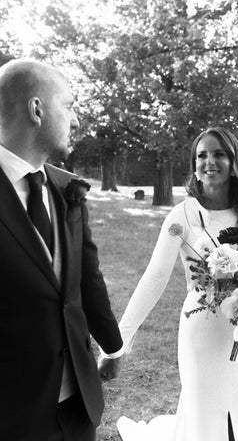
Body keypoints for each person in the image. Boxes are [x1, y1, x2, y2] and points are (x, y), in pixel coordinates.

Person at [116, 127, 238, 441]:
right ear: (194, 164)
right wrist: (121, 341)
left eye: (219, 153)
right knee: (205, 416)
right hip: (202, 331)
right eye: (202, 155)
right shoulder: (183, 216)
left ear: (233, 160)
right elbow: (154, 278)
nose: (210, 161)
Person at [0, 58, 124, 441]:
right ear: (37, 109)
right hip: (14, 412)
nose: (76, 120)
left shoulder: (66, 187)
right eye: (68, 105)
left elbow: (87, 277)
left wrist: (113, 346)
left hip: (78, 408)